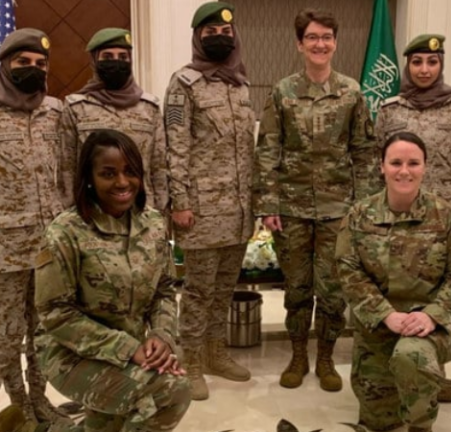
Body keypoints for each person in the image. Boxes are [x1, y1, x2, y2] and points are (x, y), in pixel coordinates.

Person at [253, 8, 380, 391]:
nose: (319, 44)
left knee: (331, 290)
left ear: (335, 43)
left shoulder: (351, 92)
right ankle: (297, 355)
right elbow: (268, 149)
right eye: (312, 37)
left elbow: (364, 152)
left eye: (326, 37)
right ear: (299, 44)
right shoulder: (283, 92)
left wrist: (363, 208)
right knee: (296, 288)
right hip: (290, 210)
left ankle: (325, 358)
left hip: (338, 211)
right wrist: (268, 204)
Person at [35, 129, 190, 431]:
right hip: (69, 354)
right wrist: (128, 349)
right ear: (89, 178)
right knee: (171, 391)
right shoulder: (65, 233)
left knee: (109, 423)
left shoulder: (154, 224)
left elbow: (164, 290)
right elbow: (56, 314)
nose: (122, 182)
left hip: (130, 345)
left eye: (130, 172)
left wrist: (161, 335)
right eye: (108, 173)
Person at [336, 132, 451, 432]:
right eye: (395, 162)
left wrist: (432, 315)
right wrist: (386, 314)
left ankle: (422, 419)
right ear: (382, 166)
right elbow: (349, 271)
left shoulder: (447, 217)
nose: (404, 171)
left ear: (425, 167)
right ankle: (428, 381)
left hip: (432, 325)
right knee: (379, 420)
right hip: (379, 324)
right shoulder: (360, 215)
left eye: (413, 163)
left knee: (411, 356)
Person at [0, 28, 67, 423]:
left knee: (44, 330)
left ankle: (41, 398)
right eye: (23, 62)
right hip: (3, 241)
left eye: (40, 64)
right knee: (8, 334)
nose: (33, 69)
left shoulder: (54, 110)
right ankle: (19, 404)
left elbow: (65, 172)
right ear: (5, 64)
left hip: (47, 241)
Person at [164, 1, 255, 401]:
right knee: (198, 292)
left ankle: (216, 353)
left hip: (238, 211)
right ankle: (192, 362)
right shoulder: (183, 84)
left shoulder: (240, 83)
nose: (220, 38)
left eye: (225, 32)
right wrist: (179, 202)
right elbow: (175, 147)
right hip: (200, 211)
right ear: (198, 37)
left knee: (224, 289)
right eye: (211, 32)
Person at [375, 34, 451, 229]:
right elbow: (377, 166)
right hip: (397, 212)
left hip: (445, 213)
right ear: (408, 66)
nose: (424, 70)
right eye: (417, 62)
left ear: (441, 65)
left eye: (432, 62)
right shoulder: (389, 110)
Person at [60, 27, 168, 213]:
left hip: (142, 210)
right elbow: (67, 168)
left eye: (123, 57)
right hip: (94, 210)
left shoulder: (149, 107)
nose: (116, 62)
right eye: (108, 57)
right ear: (95, 61)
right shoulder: (76, 107)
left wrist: (161, 211)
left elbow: (159, 166)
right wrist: (72, 212)